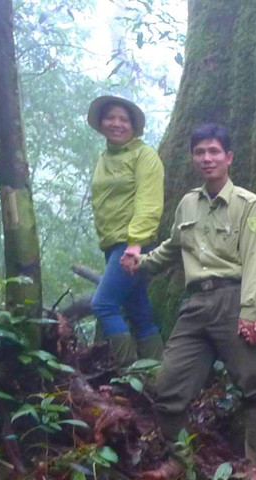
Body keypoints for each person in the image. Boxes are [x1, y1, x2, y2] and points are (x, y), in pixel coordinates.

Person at [123, 124, 256, 480]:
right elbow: (174, 246)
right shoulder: (188, 203)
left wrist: (250, 313)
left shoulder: (248, 204)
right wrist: (142, 264)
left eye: (214, 151)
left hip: (231, 299)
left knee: (254, 384)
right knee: (169, 387)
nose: (207, 158)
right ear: (192, 158)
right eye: (200, 152)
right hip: (194, 304)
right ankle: (179, 460)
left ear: (229, 157)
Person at [86, 95, 165, 368]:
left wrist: (135, 246)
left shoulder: (144, 155)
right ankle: (155, 373)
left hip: (132, 244)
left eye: (123, 119)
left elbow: (149, 201)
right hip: (112, 245)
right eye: (110, 117)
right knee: (138, 311)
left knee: (104, 305)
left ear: (133, 126)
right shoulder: (104, 158)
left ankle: (128, 373)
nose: (116, 124)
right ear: (101, 122)